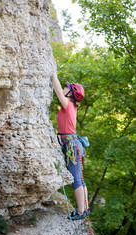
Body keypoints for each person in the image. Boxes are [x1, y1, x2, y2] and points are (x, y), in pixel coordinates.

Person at [50, 60, 90, 221]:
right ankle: (84, 209)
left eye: (68, 88)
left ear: (70, 94)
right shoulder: (70, 107)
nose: (65, 88)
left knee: (76, 179)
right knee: (79, 178)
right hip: (72, 144)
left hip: (72, 145)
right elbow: (61, 90)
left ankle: (81, 212)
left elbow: (58, 90)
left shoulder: (68, 105)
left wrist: (53, 71)